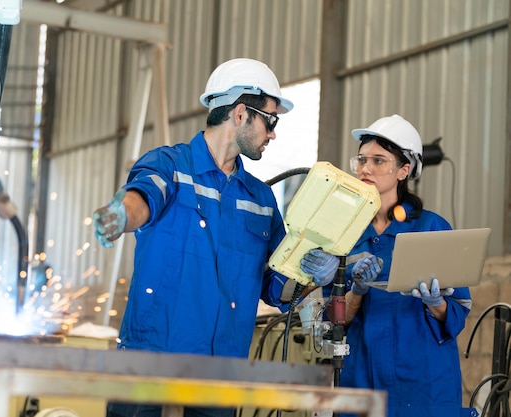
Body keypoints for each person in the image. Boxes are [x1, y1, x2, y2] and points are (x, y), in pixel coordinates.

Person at [93, 58, 331, 417]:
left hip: (220, 372)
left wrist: (312, 276)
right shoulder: (171, 166)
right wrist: (121, 214)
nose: (273, 133)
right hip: (151, 360)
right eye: (270, 120)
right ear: (240, 114)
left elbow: (275, 286)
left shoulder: (261, 201)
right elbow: (145, 195)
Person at [300, 114, 478, 417]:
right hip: (362, 381)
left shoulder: (432, 228)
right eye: (362, 160)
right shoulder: (343, 232)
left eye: (379, 161)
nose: (365, 168)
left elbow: (457, 313)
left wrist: (435, 303)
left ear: (403, 170)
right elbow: (335, 320)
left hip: (424, 382)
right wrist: (356, 290)